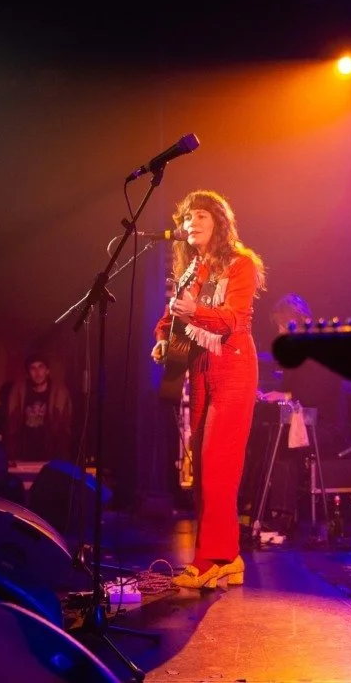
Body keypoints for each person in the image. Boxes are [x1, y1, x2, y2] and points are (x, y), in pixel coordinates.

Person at [151, 189, 266, 589]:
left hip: (233, 366)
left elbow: (234, 319)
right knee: (201, 468)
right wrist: (163, 337)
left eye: (201, 216)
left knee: (219, 464)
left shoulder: (241, 264)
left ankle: (211, 559)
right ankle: (229, 557)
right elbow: (171, 318)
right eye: (186, 219)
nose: (191, 224)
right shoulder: (192, 269)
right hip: (199, 368)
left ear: (219, 222)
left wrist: (194, 311)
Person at [6, 354, 73, 463]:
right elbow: (12, 424)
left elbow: (64, 426)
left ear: (47, 371)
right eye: (33, 368)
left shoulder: (59, 392)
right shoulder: (19, 390)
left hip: (51, 451)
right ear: (28, 372)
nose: (37, 373)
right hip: (25, 450)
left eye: (41, 367)